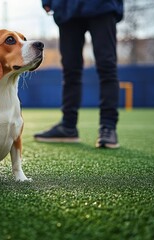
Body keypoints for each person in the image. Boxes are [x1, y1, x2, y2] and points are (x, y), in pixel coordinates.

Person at [34, 0, 124, 148]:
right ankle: (68, 126)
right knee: (70, 71)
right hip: (67, 7)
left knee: (107, 67)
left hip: (103, 6)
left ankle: (108, 127)